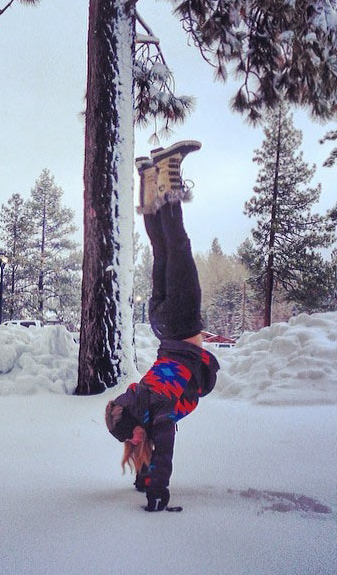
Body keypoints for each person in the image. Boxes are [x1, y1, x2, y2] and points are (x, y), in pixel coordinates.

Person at [104, 140, 220, 512]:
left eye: (133, 431)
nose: (138, 436)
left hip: (180, 325)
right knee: (165, 252)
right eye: (133, 436)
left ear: (138, 420)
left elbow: (163, 449)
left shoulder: (157, 407)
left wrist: (157, 491)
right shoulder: (141, 401)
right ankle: (148, 179)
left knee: (179, 248)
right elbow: (150, 447)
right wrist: (144, 477)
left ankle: (168, 172)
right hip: (161, 324)